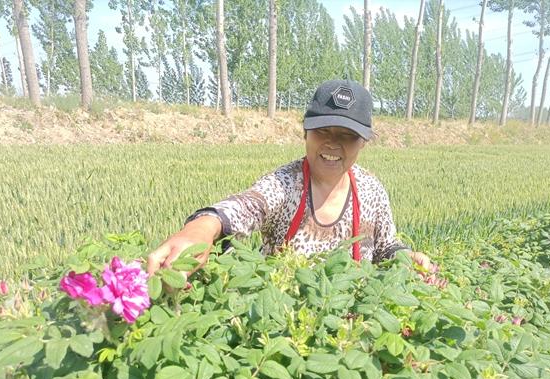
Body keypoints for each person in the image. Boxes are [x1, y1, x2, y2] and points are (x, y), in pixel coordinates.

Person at [147, 79, 432, 282]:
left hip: (352, 329)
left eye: (346, 135)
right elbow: (246, 206)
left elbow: (386, 247)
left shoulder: (372, 191)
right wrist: (200, 230)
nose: (332, 144)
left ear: (364, 142)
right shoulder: (286, 184)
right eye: (322, 130)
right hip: (286, 327)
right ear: (305, 133)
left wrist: (408, 258)